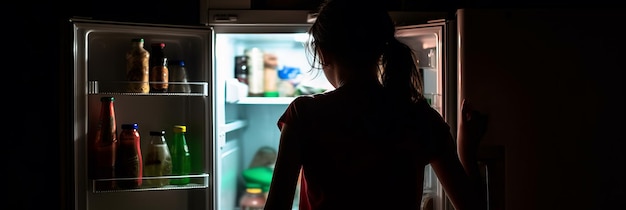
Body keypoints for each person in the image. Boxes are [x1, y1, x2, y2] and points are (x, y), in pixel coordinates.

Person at [264, 0, 488, 209]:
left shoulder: (303, 114)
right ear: (380, 49)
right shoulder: (420, 117)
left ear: (323, 54)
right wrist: (466, 151)